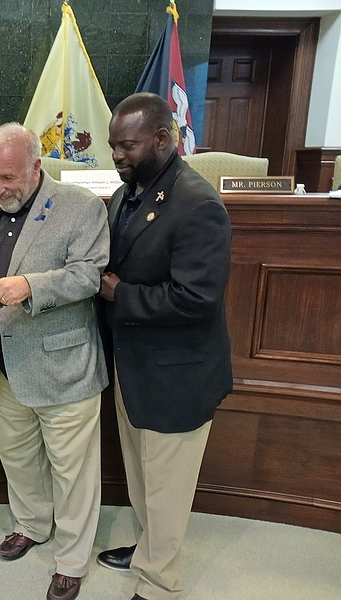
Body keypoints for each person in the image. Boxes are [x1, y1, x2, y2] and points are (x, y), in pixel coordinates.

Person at [97, 92, 233, 600]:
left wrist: (120, 294)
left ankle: (158, 583)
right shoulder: (126, 193)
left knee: (167, 488)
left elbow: (197, 298)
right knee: (141, 477)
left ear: (161, 139)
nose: (116, 156)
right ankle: (147, 548)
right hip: (135, 368)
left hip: (178, 376)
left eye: (127, 146)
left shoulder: (198, 204)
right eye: (113, 146)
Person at [0, 123, 110, 600]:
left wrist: (31, 286)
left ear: (37, 166)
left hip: (64, 365)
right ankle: (31, 524)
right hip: (4, 364)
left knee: (73, 472)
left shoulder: (81, 207)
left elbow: (88, 276)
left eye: (8, 178)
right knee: (19, 458)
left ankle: (71, 559)